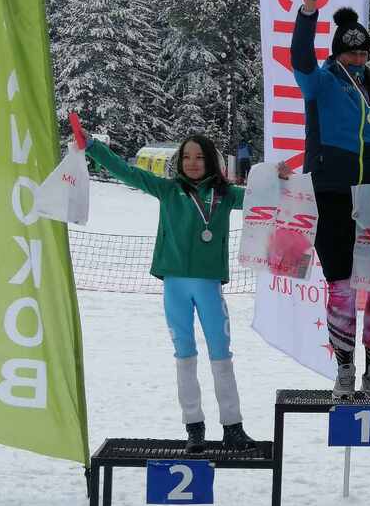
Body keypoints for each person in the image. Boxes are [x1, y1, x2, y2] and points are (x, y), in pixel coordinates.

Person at [84, 135, 276, 452]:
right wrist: (93, 148)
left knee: (221, 354)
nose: (192, 162)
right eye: (186, 156)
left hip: (208, 285)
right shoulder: (169, 190)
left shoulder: (225, 195)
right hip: (175, 285)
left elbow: (263, 198)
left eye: (199, 157)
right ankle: (194, 428)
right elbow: (125, 172)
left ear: (211, 160)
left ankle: (233, 427)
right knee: (184, 355)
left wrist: (279, 177)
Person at [290, 0, 370, 400]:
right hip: (331, 193)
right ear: (338, 52)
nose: (357, 60)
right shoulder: (320, 82)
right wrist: (308, 10)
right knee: (340, 283)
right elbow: (300, 58)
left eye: (363, 54)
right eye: (350, 53)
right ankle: (344, 368)